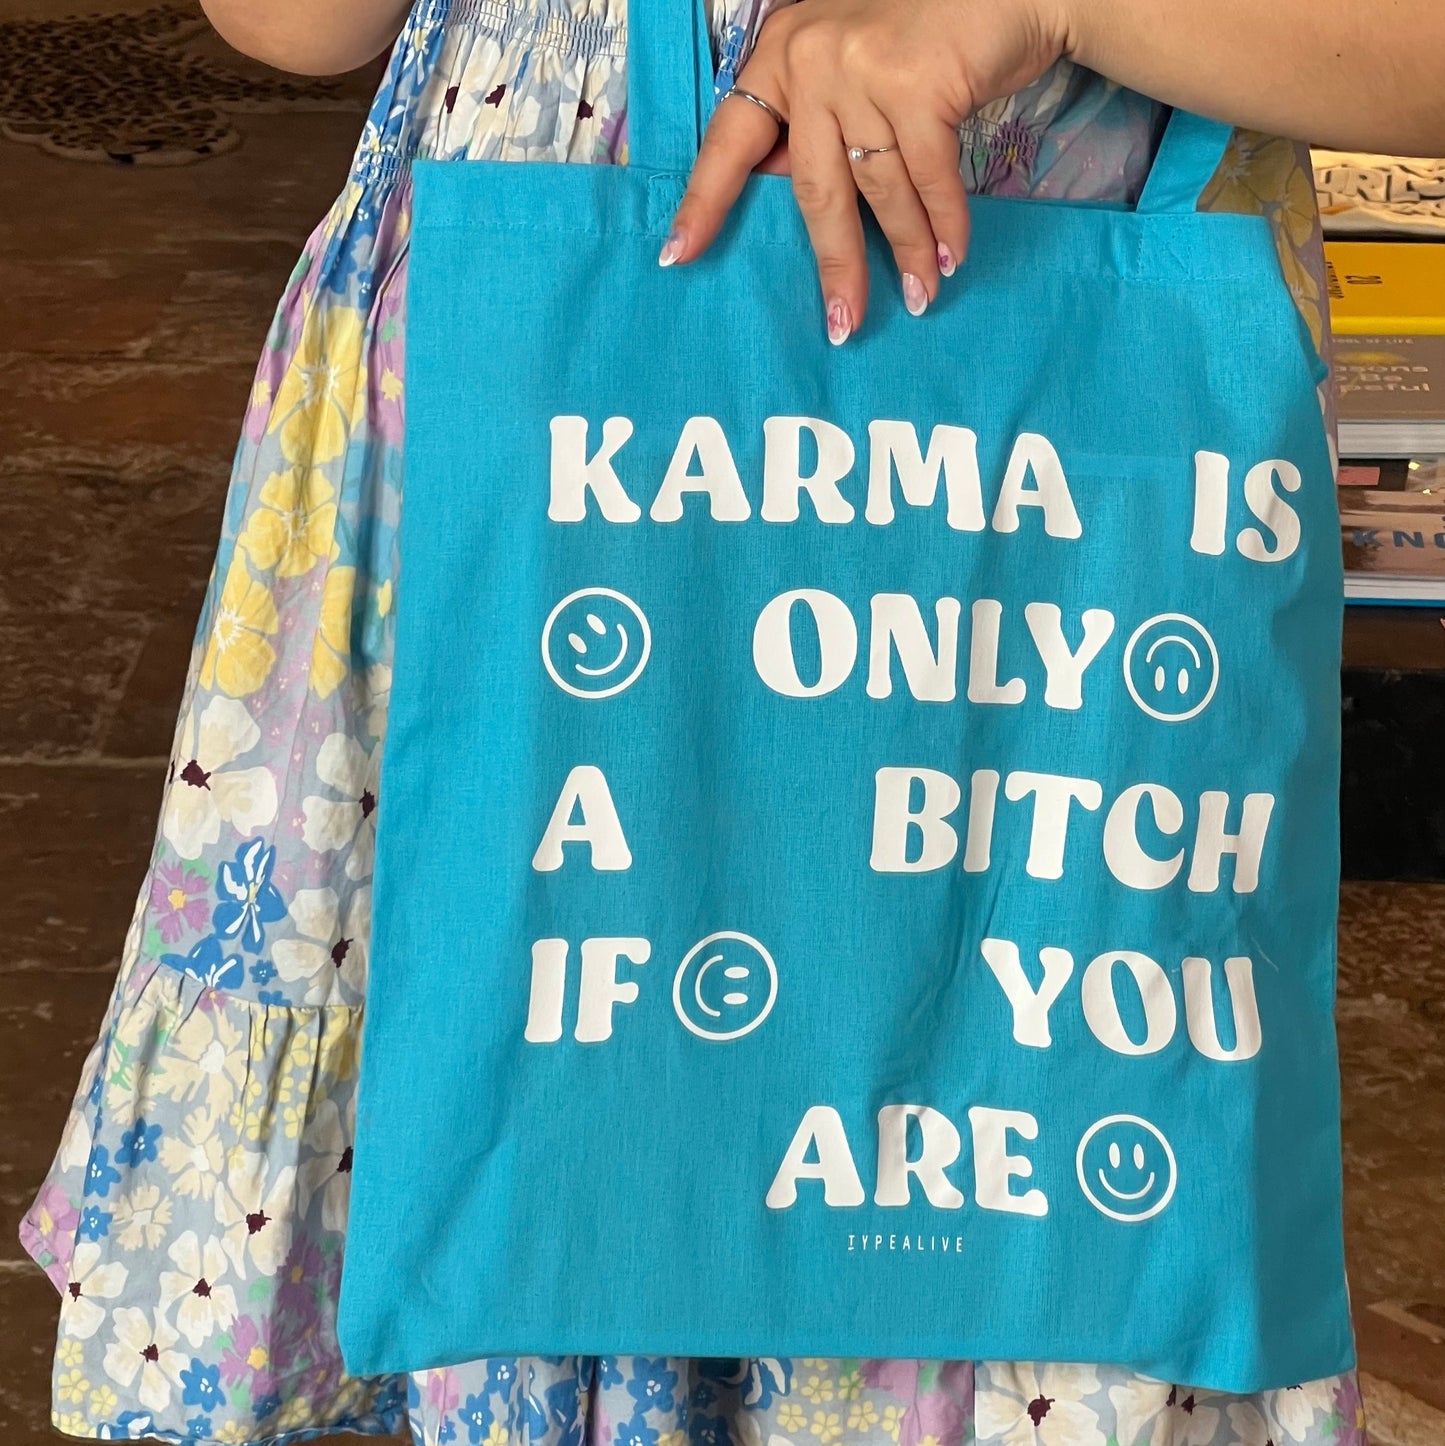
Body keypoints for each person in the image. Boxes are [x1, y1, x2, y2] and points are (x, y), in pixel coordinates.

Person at [22, 0, 1442, 1442]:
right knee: (533, 1158)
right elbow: (295, 23)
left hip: (1010, 534)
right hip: (514, 487)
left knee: (974, 1196)